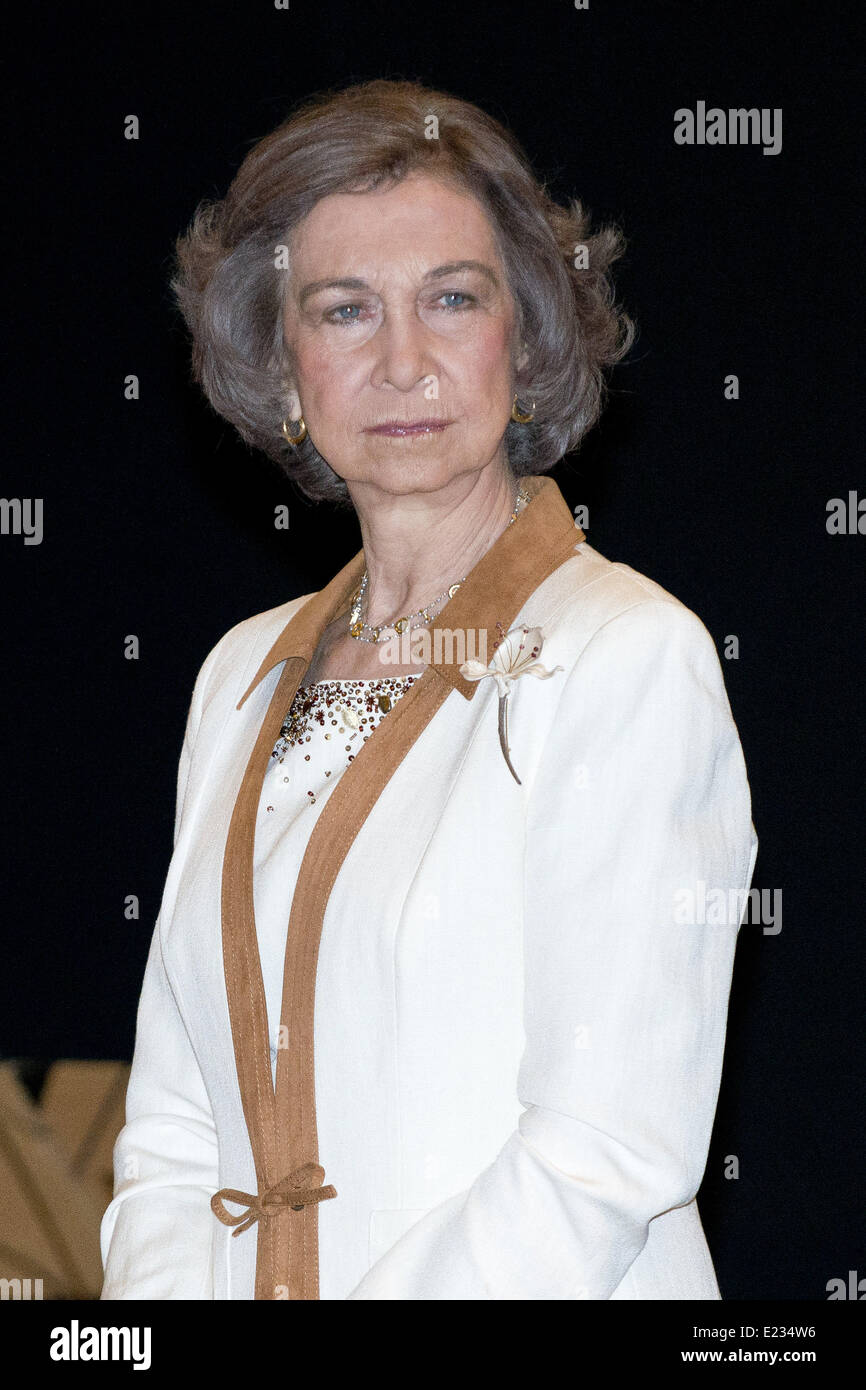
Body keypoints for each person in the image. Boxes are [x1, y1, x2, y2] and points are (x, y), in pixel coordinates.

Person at [99, 78, 758, 1300]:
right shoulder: (237, 675)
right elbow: (173, 1130)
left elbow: (604, 1146)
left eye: (451, 299)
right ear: (281, 363)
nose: (402, 362)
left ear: (528, 332)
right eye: (343, 311)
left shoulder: (623, 656)